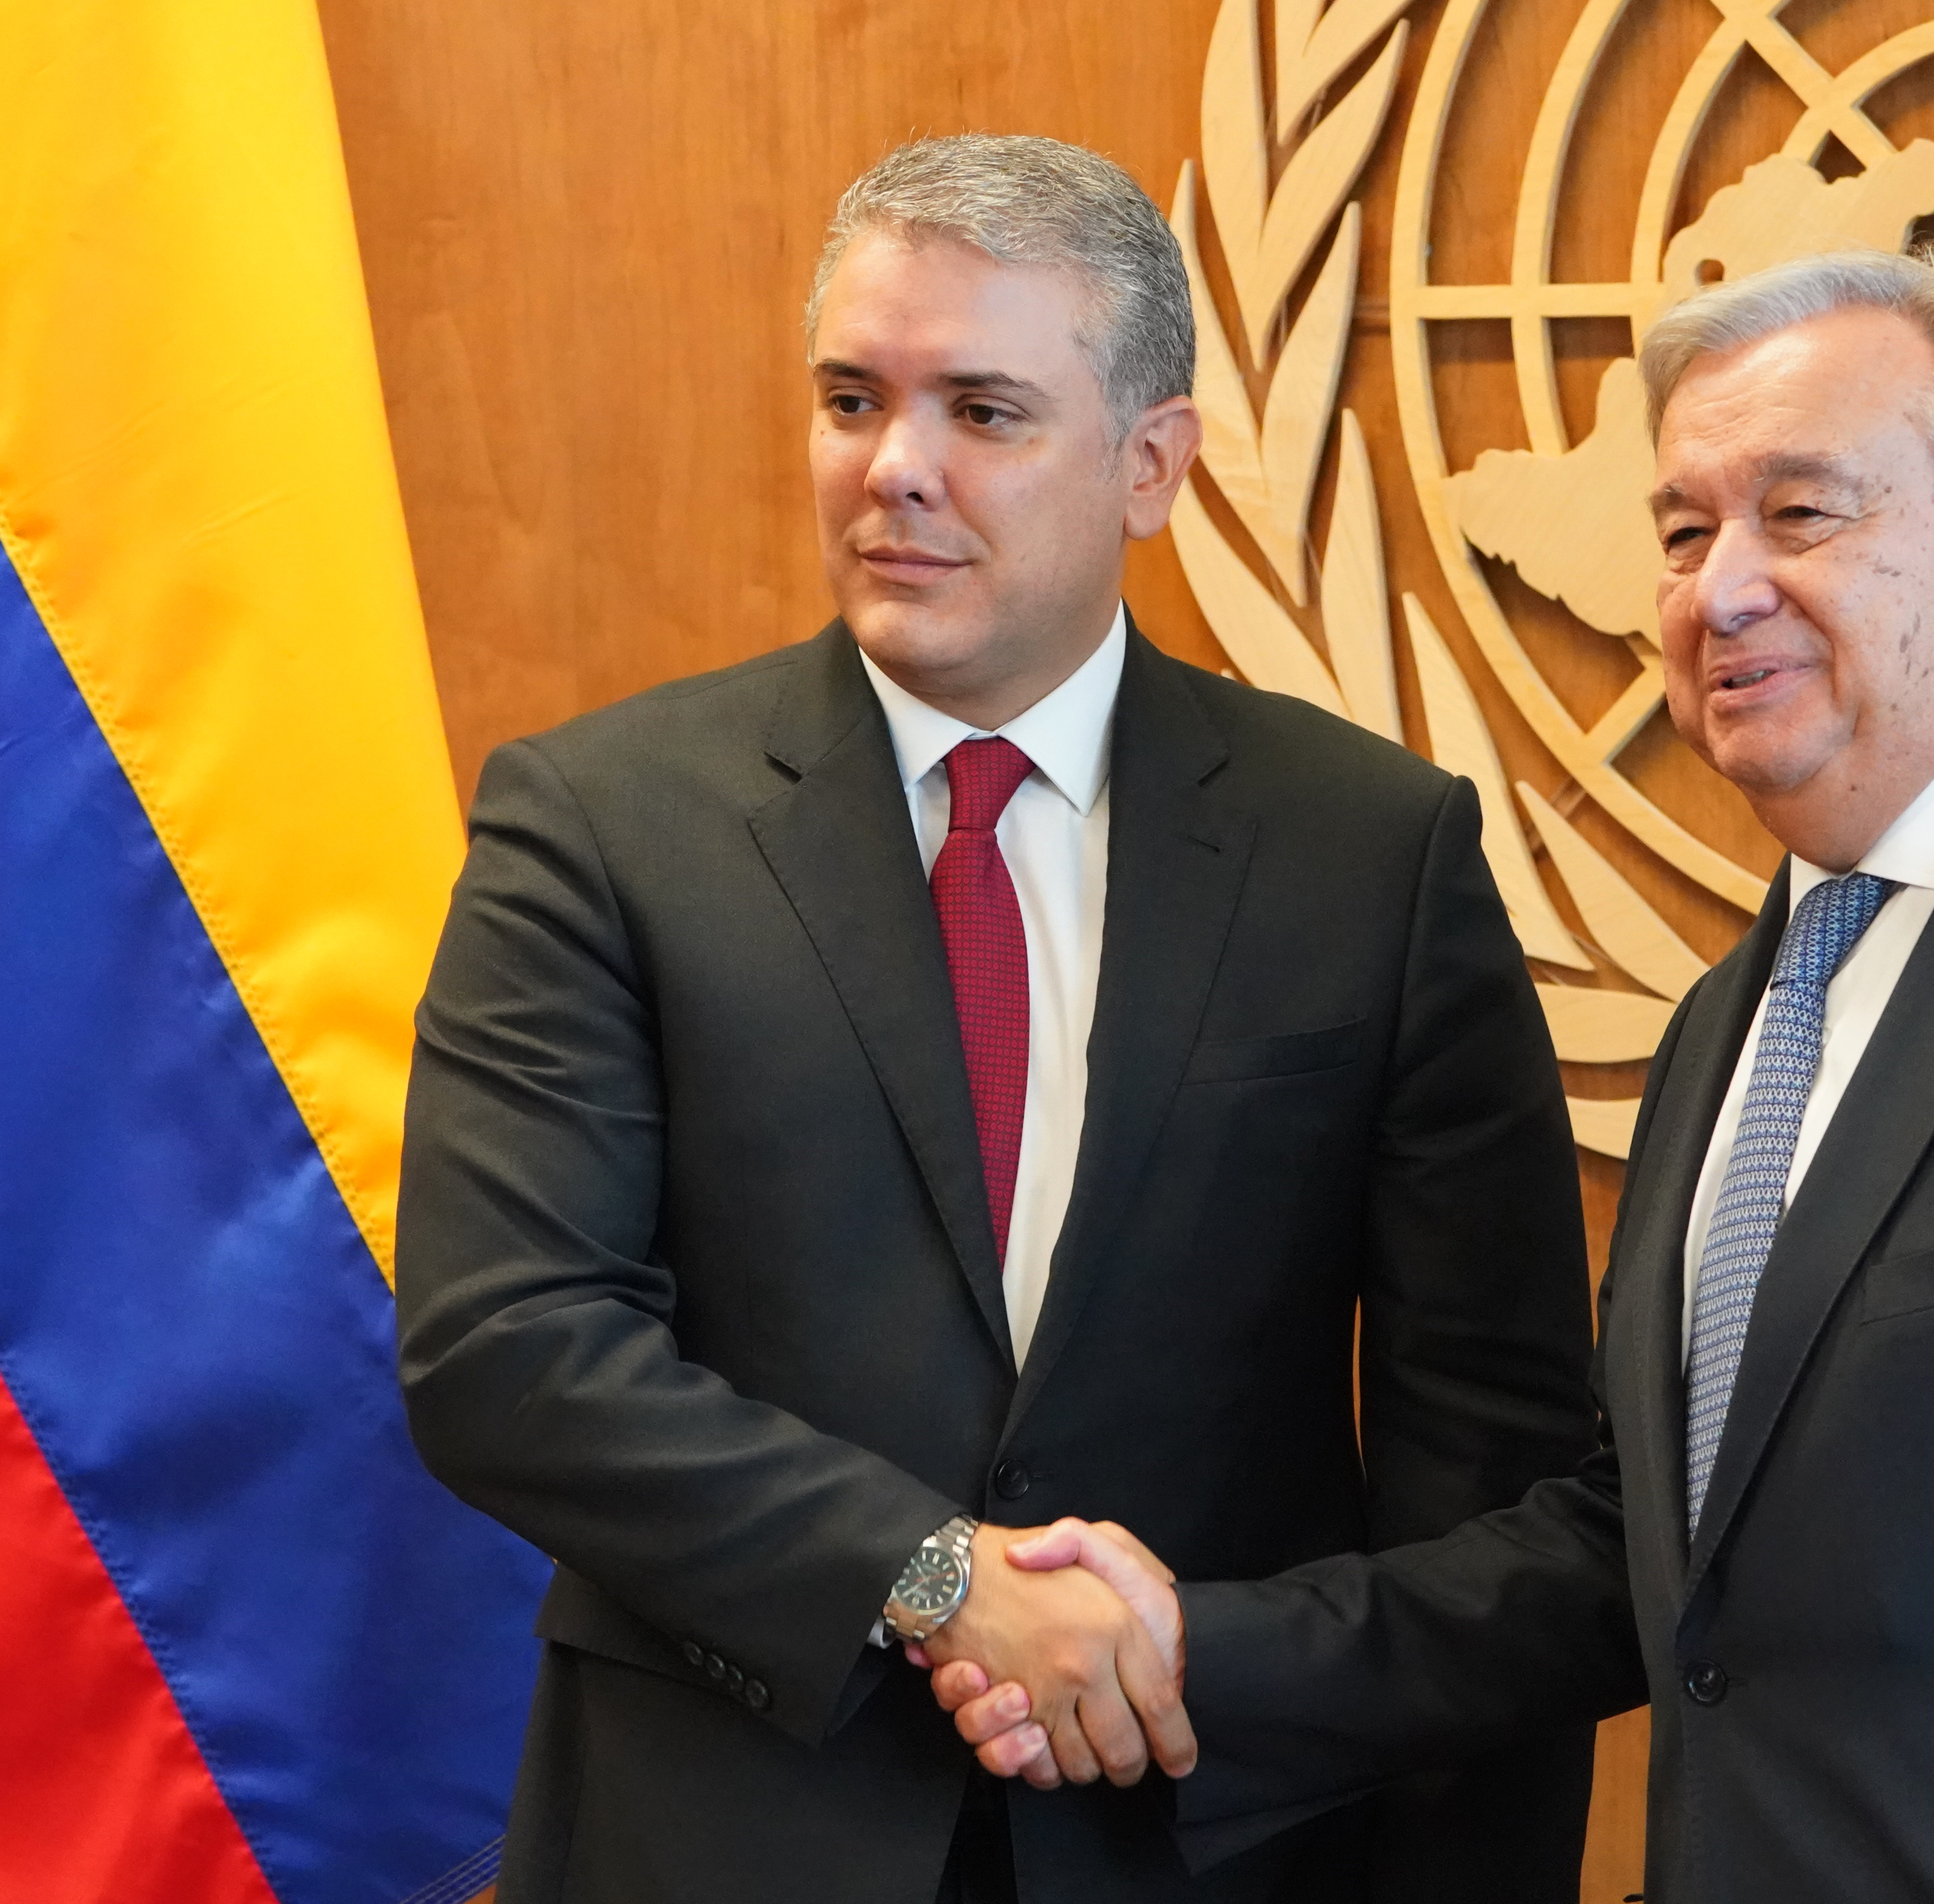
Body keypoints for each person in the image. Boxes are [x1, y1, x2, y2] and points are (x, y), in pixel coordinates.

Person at [933, 248, 1934, 1902]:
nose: (1719, 591)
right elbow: (1629, 1554)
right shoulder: (1738, 1010)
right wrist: (1183, 1646)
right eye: (1685, 530)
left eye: (1802, 514)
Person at [393, 133, 1600, 1904]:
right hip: (729, 1833)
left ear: (1151, 464)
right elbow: (506, 1354)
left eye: (984, 409)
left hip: (1205, 1845)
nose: (898, 471)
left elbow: (1489, 1486)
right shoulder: (600, 822)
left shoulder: (1373, 854)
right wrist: (932, 1571)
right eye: (850, 399)